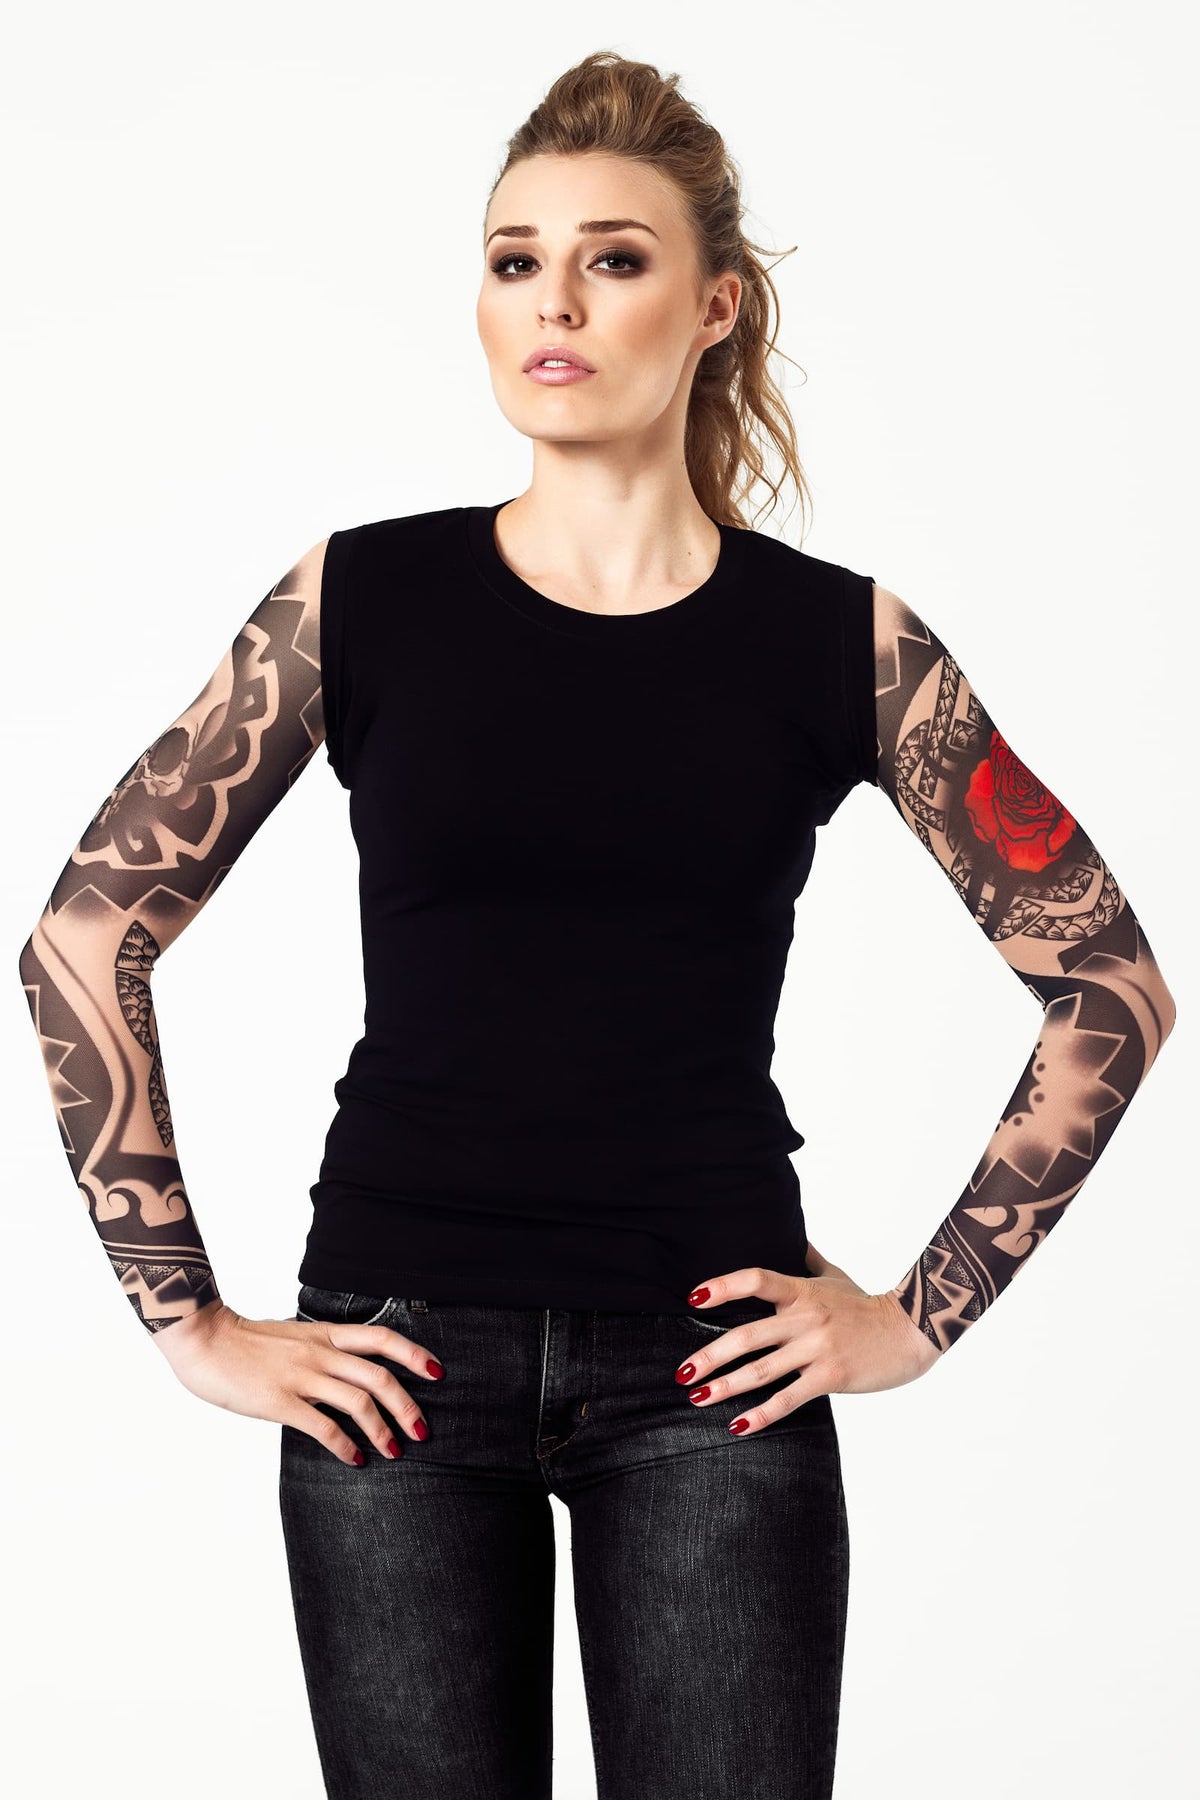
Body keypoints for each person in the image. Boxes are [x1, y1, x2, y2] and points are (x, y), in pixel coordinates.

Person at [18, 47, 1177, 1800]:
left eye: (613, 258)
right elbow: (85, 931)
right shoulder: (358, 599)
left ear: (714, 306)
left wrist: (914, 1316)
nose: (552, 301)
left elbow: (1107, 982)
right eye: (515, 259)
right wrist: (189, 1322)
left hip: (711, 1377)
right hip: (396, 1368)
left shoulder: (843, 644)